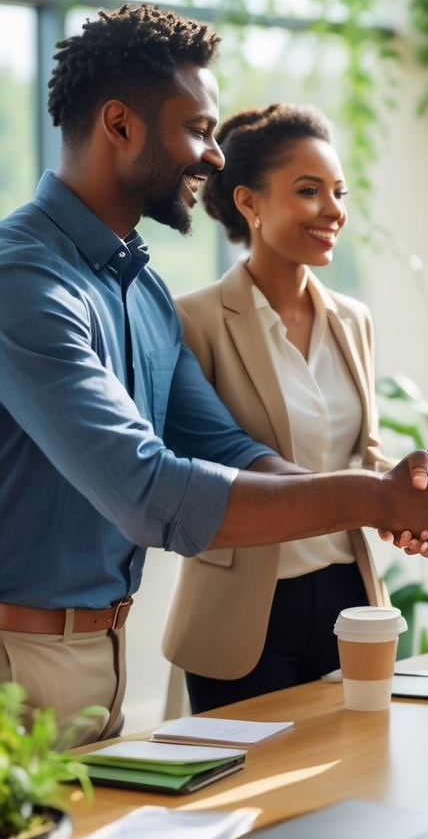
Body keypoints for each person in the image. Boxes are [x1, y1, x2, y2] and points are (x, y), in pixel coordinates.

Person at [0, 4, 428, 741]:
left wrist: (387, 496)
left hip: (99, 654)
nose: (217, 157)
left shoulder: (140, 288)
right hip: (19, 659)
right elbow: (147, 490)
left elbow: (226, 447)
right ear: (121, 126)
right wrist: (371, 499)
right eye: (197, 129)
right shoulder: (24, 282)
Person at [161, 103, 395, 711]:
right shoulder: (194, 320)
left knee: (355, 784)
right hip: (244, 614)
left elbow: (363, 452)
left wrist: (409, 491)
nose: (333, 210)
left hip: (351, 599)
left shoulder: (354, 320)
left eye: (338, 191)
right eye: (309, 191)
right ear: (249, 203)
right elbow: (198, 464)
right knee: (251, 795)